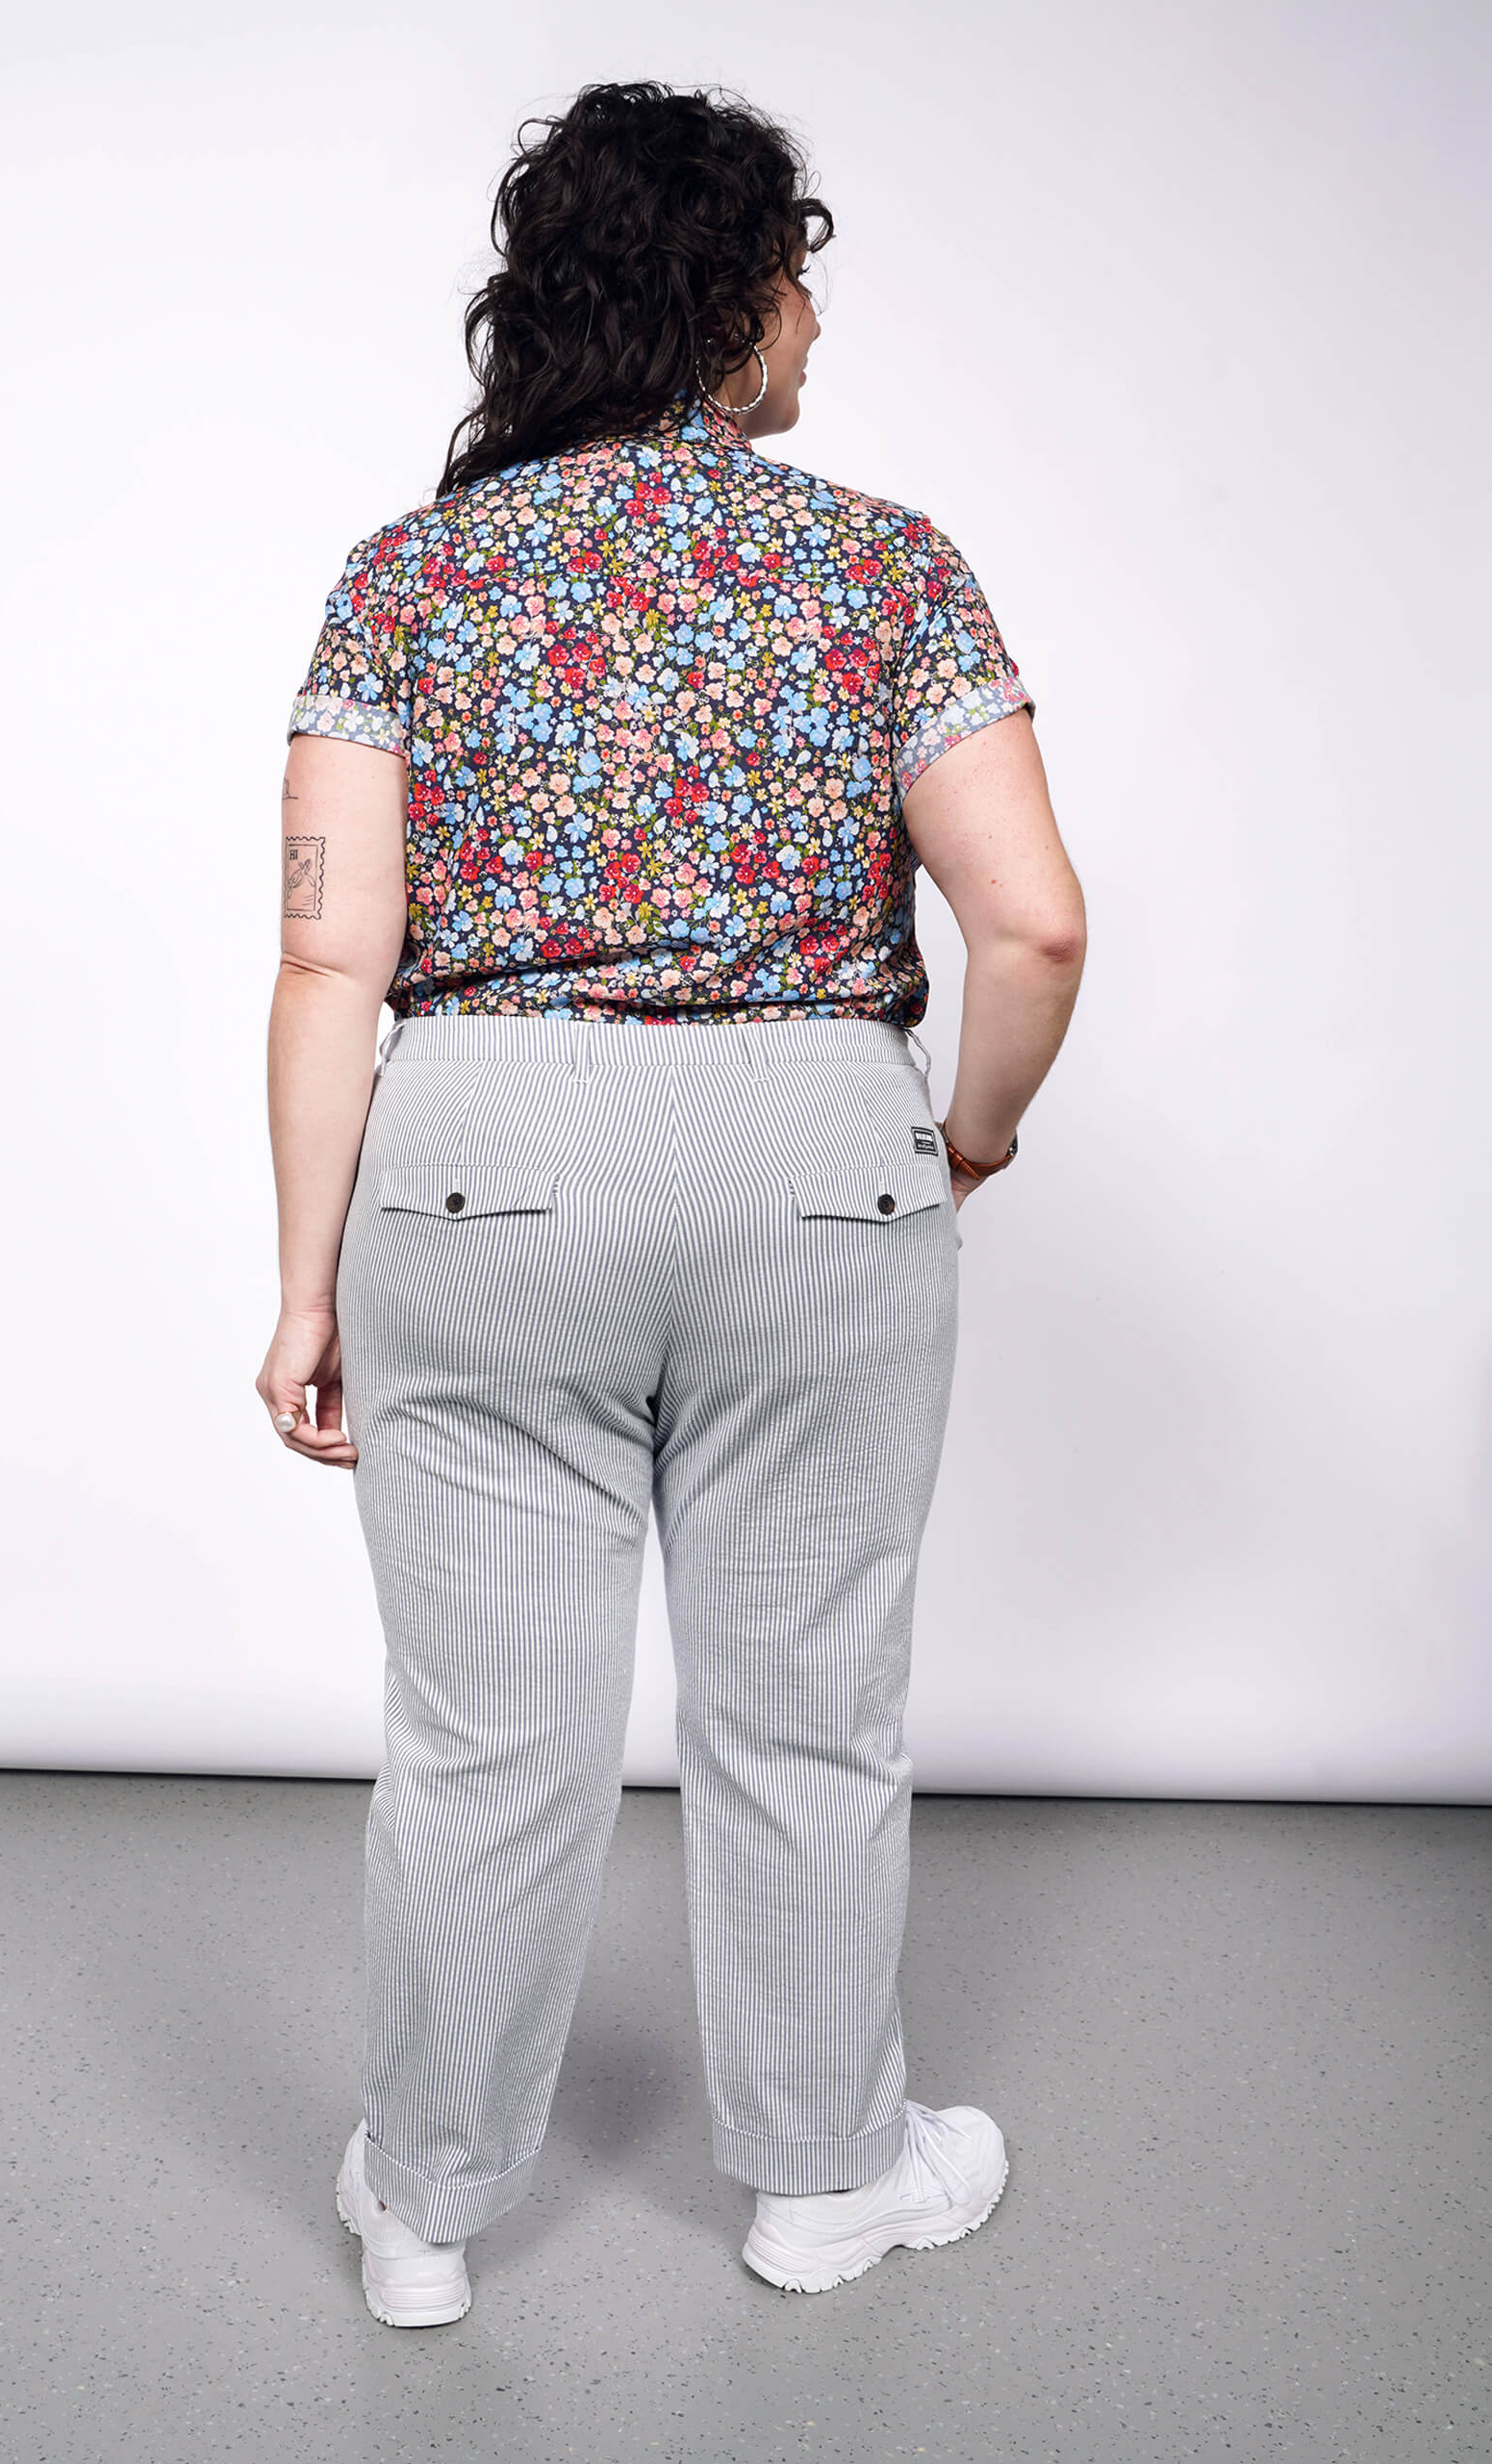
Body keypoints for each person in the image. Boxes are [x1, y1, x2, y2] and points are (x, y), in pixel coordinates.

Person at [257, 80, 1086, 2328]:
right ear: (727, 301)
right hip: (819, 1159)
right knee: (807, 1709)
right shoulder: (889, 564)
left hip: (480, 1167)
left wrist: (304, 1279)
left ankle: (422, 2210)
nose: (814, 320)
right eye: (794, 275)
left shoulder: (414, 576)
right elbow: (1035, 935)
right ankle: (827, 2181)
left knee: (482, 1727)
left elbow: (334, 951)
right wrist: (965, 1139)